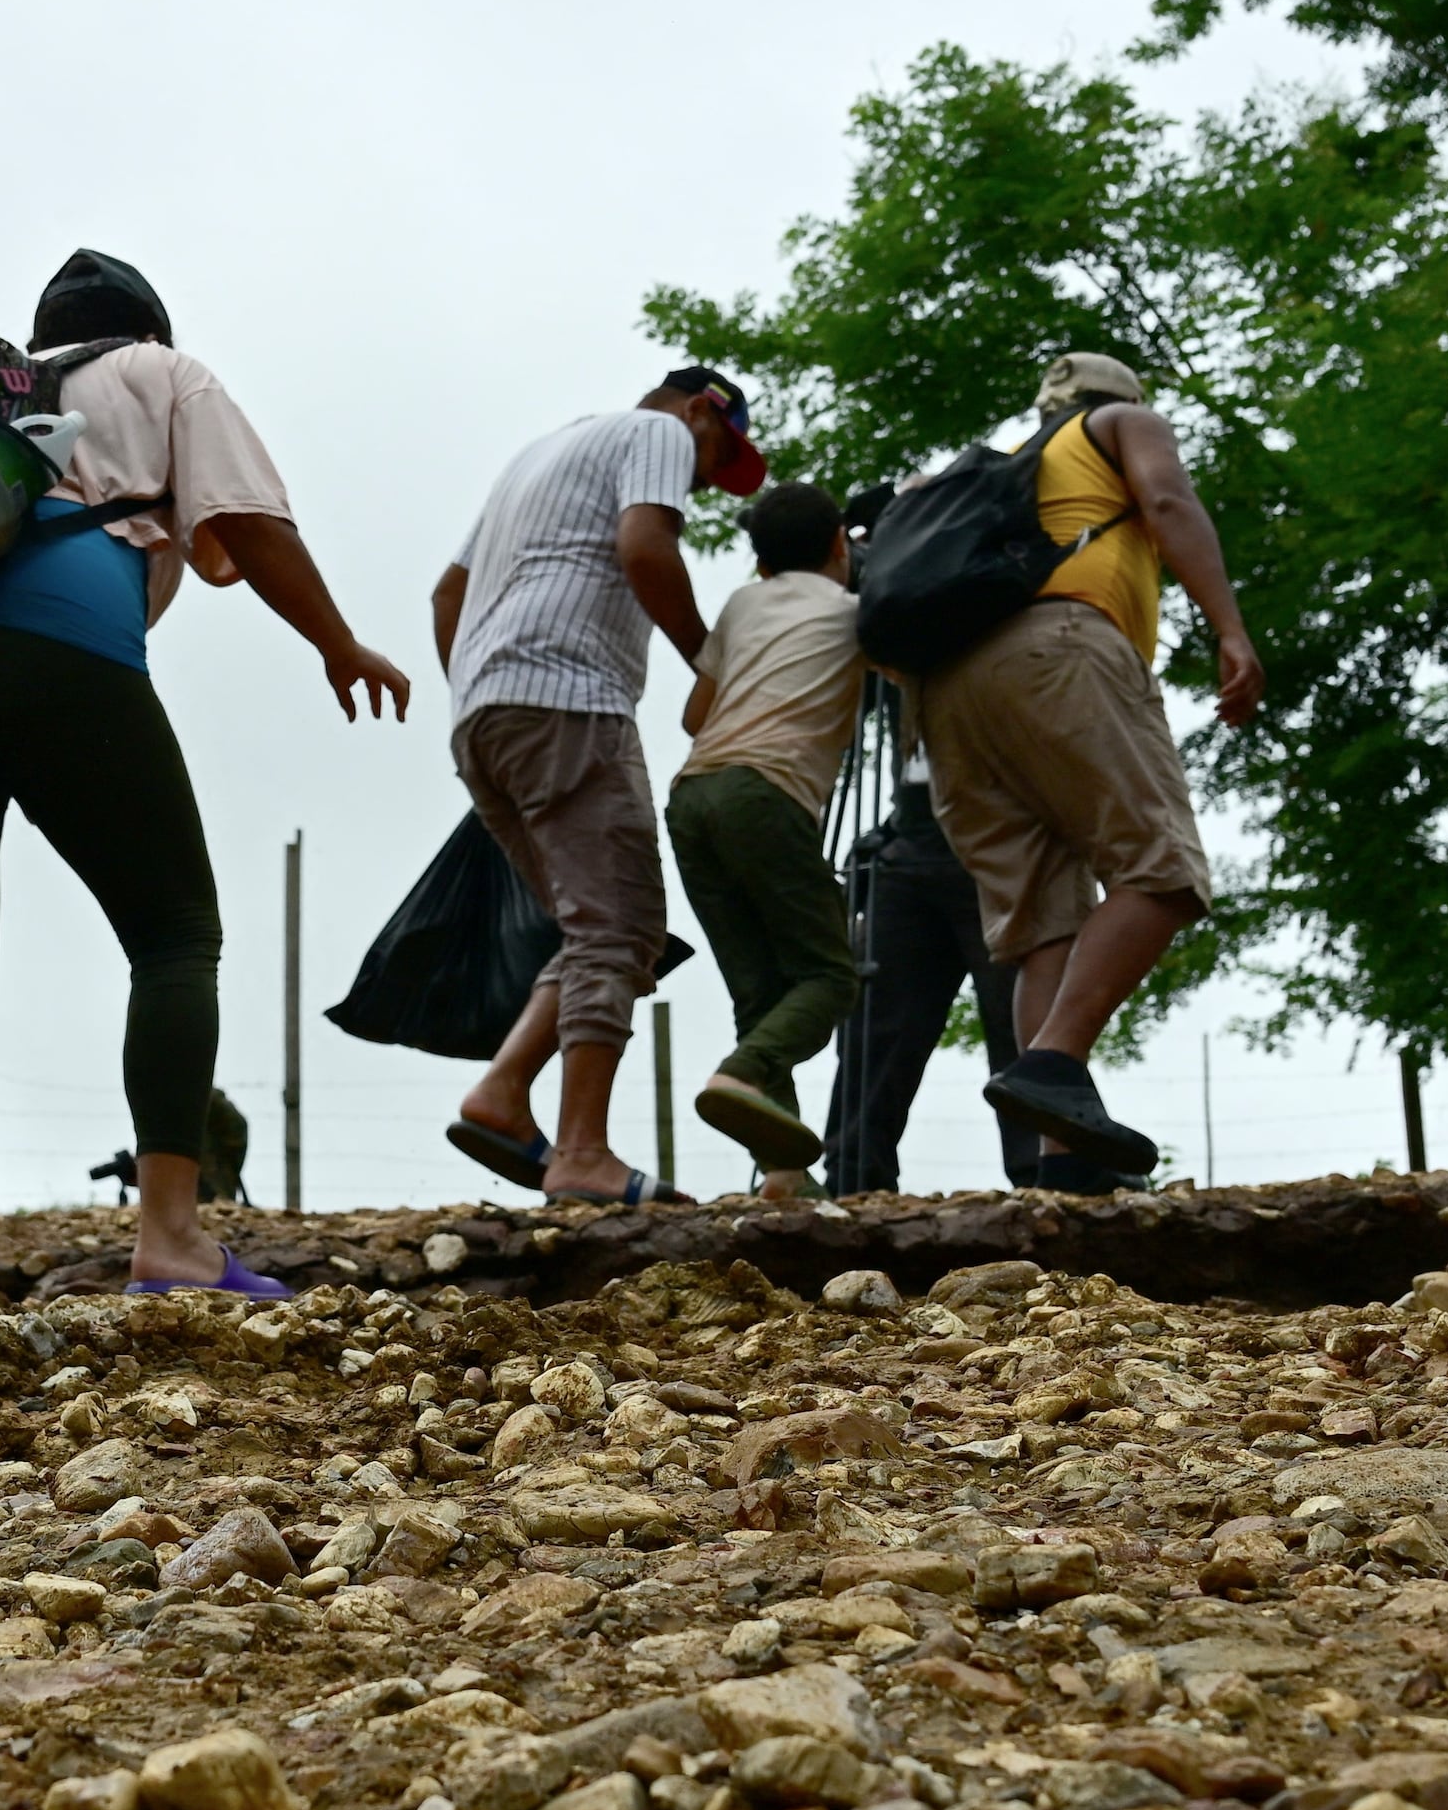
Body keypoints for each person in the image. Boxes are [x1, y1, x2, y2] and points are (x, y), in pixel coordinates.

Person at [0, 249, 407, 1299]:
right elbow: (244, 526)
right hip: (48, 631)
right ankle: (169, 1242)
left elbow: (202, 551)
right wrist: (336, 642)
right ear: (146, 327)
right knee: (171, 936)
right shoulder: (161, 374)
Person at [906, 353, 1265, 1185]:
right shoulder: (1117, 425)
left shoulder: (998, 475)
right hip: (1060, 653)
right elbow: (1169, 500)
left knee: (1042, 924)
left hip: (948, 693)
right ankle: (1053, 1064)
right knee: (1162, 870)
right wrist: (1231, 629)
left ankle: (1058, 1160)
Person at [430, 367, 766, 1202]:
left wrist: (482, 690)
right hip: (569, 701)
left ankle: (502, 1094)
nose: (701, 481)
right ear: (701, 411)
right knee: (619, 931)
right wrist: (711, 664)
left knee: (601, 934)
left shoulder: (535, 457)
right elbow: (646, 548)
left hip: (485, 720)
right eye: (712, 460)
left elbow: (448, 595)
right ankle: (582, 1152)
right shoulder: (655, 433)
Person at [665, 486, 866, 1190]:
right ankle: (741, 1073)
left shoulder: (744, 605)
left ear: (759, 558)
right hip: (768, 792)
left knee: (757, 989)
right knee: (829, 977)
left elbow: (697, 716)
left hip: (692, 797)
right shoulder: (854, 615)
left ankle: (781, 1172)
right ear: (840, 543)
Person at [825, 755, 1025, 1196]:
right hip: (910, 842)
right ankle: (854, 1182)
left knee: (1020, 1020)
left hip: (1004, 839)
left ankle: (1044, 1175)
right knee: (875, 1025)